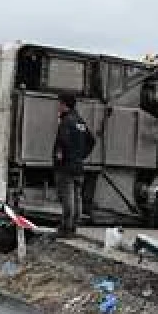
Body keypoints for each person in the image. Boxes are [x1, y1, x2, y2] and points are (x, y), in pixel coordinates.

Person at [53, 93, 96, 237]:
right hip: (78, 165)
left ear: (65, 105)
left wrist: (60, 158)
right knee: (77, 197)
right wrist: (81, 155)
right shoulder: (80, 121)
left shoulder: (66, 121)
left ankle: (66, 227)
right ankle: (74, 226)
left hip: (66, 166)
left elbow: (62, 142)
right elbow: (92, 140)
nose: (58, 107)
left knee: (67, 197)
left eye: (59, 104)